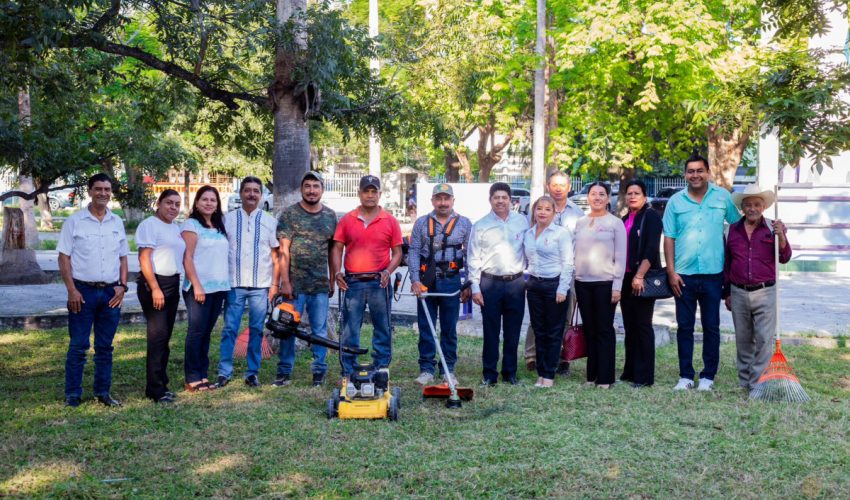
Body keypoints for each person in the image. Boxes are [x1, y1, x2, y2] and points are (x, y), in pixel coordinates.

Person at [663, 154, 741, 391]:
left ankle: (708, 376)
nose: (695, 175)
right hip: (683, 275)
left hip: (713, 274)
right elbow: (669, 238)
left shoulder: (722, 197)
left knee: (711, 326)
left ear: (708, 173)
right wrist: (671, 272)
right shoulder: (675, 202)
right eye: (690, 171)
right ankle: (686, 376)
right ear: (685, 174)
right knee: (684, 326)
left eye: (699, 171)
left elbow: (738, 226)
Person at [57, 173, 129, 407]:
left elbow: (123, 258)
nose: (103, 193)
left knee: (105, 347)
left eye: (107, 189)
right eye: (98, 189)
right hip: (82, 292)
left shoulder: (116, 221)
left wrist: (122, 286)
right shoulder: (75, 221)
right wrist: (71, 290)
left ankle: (103, 392)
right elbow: (64, 257)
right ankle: (73, 394)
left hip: (111, 293)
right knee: (78, 345)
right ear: (89, 191)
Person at [331, 175, 403, 377]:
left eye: (374, 192)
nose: (370, 195)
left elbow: (398, 252)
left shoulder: (390, 221)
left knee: (383, 326)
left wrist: (388, 271)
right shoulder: (347, 220)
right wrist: (337, 272)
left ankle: (381, 366)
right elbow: (337, 248)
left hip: (379, 282)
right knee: (350, 328)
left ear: (380, 194)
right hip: (352, 282)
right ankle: (349, 369)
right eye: (366, 191)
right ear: (359, 193)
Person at [724, 185, 791, 390]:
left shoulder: (774, 228)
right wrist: (726, 292)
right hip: (738, 291)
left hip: (766, 291)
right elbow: (727, 263)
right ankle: (745, 381)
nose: (752, 208)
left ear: (763, 207)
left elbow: (785, 257)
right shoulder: (731, 230)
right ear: (742, 208)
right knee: (743, 339)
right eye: (748, 205)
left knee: (763, 339)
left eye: (756, 204)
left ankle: (758, 384)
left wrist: (782, 238)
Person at [274, 171, 338, 387]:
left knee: (319, 331)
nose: (311, 190)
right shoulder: (289, 214)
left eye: (316, 186)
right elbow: (284, 250)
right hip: (295, 286)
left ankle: (319, 372)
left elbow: (332, 251)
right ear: (302, 189)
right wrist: (285, 282)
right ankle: (284, 372)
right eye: (307, 186)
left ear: (322, 189)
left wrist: (332, 279)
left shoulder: (330, 216)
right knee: (287, 328)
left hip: (320, 286)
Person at [216, 177, 281, 388]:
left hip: (260, 285)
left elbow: (275, 255)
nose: (251, 194)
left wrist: (274, 285)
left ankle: (252, 372)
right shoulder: (228, 220)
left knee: (256, 330)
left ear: (261, 195)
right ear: (241, 193)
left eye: (256, 191)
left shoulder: (270, 221)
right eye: (247, 190)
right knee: (230, 329)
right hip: (234, 284)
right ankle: (224, 371)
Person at [408, 183, 472, 386]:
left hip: (451, 281)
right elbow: (414, 252)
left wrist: (468, 283)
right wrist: (415, 280)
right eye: (439, 198)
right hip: (427, 281)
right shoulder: (421, 223)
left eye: (446, 198)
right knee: (426, 326)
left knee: (449, 328)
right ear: (432, 201)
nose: (443, 203)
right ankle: (426, 368)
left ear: (453, 200)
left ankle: (447, 369)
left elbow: (470, 254)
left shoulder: (464, 224)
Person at [468, 182, 529, 387]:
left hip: (516, 283)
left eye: (504, 197)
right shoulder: (481, 225)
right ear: (490, 200)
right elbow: (473, 258)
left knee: (513, 331)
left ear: (511, 200)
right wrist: (475, 287)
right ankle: (489, 374)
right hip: (490, 283)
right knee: (491, 331)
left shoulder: (522, 222)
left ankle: (510, 373)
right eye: (496, 197)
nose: (500, 201)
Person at [523, 170, 584, 374]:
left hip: (566, 271)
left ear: (568, 187)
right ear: (548, 186)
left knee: (564, 317)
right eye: (554, 185)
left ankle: (563, 357)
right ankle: (533, 356)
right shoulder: (536, 210)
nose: (558, 188)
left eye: (562, 185)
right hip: (540, 277)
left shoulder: (577, 213)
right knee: (537, 320)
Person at [573, 182, 626, 389]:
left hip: (605, 284)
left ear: (608, 198)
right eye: (593, 194)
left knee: (604, 330)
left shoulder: (615, 223)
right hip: (582, 283)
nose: (596, 197)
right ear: (588, 197)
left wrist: (617, 286)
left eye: (601, 194)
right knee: (590, 330)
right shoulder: (580, 222)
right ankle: (591, 376)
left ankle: (605, 378)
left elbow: (621, 257)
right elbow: (574, 254)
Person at [137, 189, 186, 403]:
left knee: (165, 336)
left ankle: (161, 382)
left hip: (172, 283)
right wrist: (155, 288)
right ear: (159, 203)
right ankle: (155, 389)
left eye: (177, 204)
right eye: (169, 203)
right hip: (154, 284)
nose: (173, 207)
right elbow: (144, 258)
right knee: (157, 337)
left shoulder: (175, 228)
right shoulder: (149, 225)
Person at [181, 185, 230, 393]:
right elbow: (187, 258)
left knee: (206, 332)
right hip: (198, 288)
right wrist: (197, 285)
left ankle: (202, 374)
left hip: (219, 288)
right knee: (196, 332)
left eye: (213, 200)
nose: (209, 203)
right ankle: (192, 377)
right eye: (205, 199)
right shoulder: (191, 225)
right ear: (197, 202)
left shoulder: (219, 225)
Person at [523, 196, 574, 388]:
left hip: (555, 286)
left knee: (554, 332)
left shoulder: (561, 234)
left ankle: (549, 375)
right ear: (534, 212)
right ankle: (540, 372)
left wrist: (562, 288)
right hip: (535, 286)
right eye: (539, 209)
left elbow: (568, 263)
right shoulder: (528, 234)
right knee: (539, 330)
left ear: (554, 213)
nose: (542, 212)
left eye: (547, 209)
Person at [619, 180, 663, 388]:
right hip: (625, 278)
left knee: (643, 325)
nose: (632, 196)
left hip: (641, 277)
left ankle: (644, 376)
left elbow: (651, 248)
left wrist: (639, 276)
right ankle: (630, 371)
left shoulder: (651, 216)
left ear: (645, 196)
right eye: (629, 193)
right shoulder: (625, 218)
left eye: (637, 193)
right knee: (629, 326)